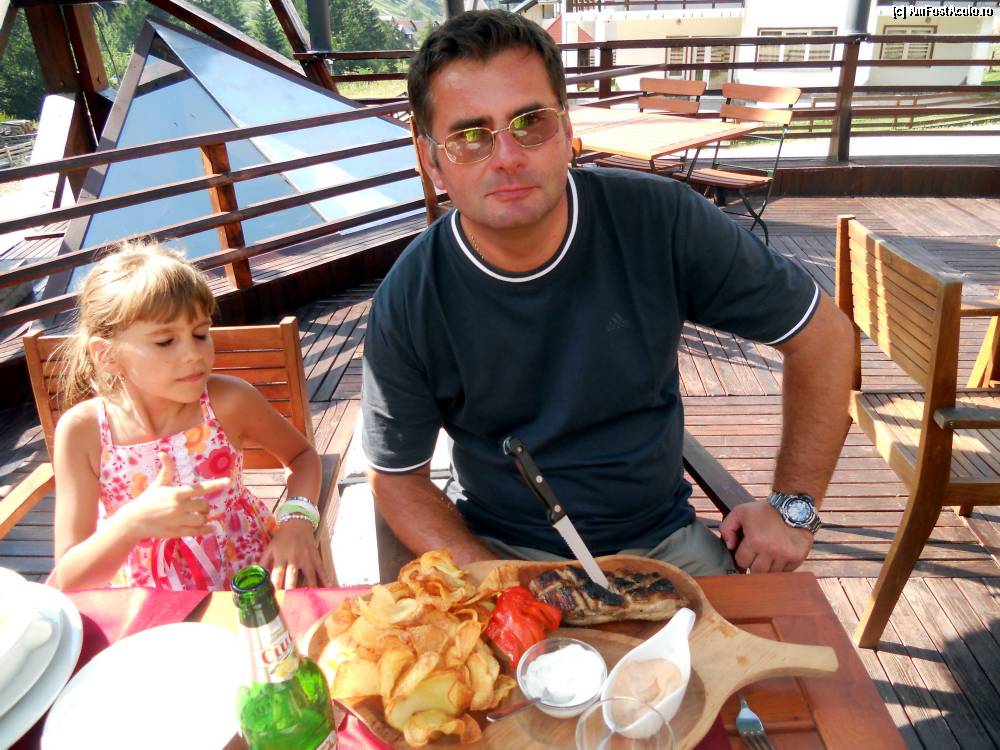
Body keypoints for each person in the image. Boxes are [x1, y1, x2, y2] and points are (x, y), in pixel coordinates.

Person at [361, 10, 854, 576]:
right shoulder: (412, 298)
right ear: (431, 160)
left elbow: (824, 335)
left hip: (662, 544)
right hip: (503, 554)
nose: (507, 156)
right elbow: (395, 476)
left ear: (566, 132)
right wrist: (495, 582)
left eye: (530, 122)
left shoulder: (660, 221)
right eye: (470, 137)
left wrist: (793, 509)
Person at [51, 243, 327, 591]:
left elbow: (302, 457)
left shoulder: (229, 401)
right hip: (147, 599)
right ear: (106, 355)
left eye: (200, 334)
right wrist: (130, 524)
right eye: (165, 341)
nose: (193, 354)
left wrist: (297, 521)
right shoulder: (83, 431)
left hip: (246, 576)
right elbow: (69, 578)